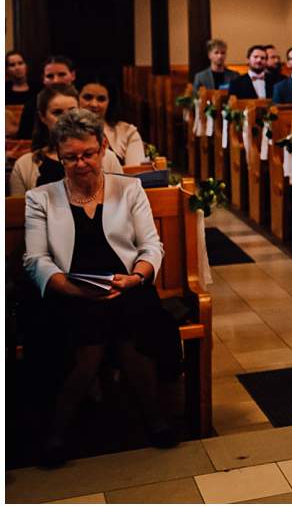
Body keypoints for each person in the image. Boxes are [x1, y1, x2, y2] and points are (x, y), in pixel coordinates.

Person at [23, 108, 181, 466]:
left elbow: (151, 247)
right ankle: (58, 431)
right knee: (90, 331)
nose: (80, 164)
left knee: (129, 319)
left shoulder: (129, 189)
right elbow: (36, 260)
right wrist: (75, 289)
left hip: (126, 284)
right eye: (70, 158)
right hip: (70, 291)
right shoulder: (42, 198)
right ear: (58, 156)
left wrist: (137, 276)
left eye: (88, 154)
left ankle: (153, 419)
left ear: (103, 147)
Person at [11, 86, 122, 198]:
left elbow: (121, 205)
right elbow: (18, 212)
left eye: (72, 111)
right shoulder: (24, 165)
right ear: (42, 117)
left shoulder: (108, 158)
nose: (66, 119)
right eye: (57, 113)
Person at [78, 80, 146, 166]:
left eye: (101, 99)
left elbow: (136, 172)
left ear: (110, 102)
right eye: (88, 97)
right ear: (77, 98)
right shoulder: (66, 132)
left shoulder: (128, 132)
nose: (94, 104)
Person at [16, 55, 77, 140]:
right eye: (50, 76)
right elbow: (23, 139)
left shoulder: (84, 100)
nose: (56, 80)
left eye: (61, 74)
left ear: (73, 75)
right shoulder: (32, 105)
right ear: (43, 79)